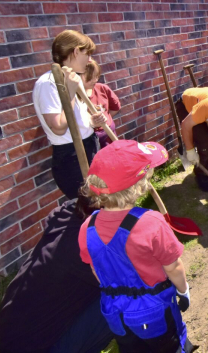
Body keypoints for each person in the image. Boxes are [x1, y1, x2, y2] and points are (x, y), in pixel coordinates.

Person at [78, 140, 195, 353]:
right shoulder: (151, 222)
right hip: (155, 313)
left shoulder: (87, 227)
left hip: (116, 314)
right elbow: (173, 267)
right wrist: (183, 289)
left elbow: (96, 269)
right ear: (138, 184)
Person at [0, 195, 114, 353]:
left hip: (13, 336)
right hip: (40, 347)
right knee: (130, 297)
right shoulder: (87, 249)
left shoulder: (70, 218)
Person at [33, 30, 107, 199]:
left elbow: (77, 119)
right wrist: (70, 93)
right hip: (71, 156)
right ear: (75, 51)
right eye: (87, 54)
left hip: (89, 146)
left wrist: (92, 121)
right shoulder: (48, 84)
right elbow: (58, 127)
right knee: (88, 207)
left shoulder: (73, 78)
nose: (89, 60)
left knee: (101, 202)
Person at [81, 60, 121, 148]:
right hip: (92, 139)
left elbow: (115, 107)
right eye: (90, 77)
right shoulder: (77, 97)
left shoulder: (102, 88)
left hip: (110, 135)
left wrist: (106, 117)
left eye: (96, 76)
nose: (95, 80)